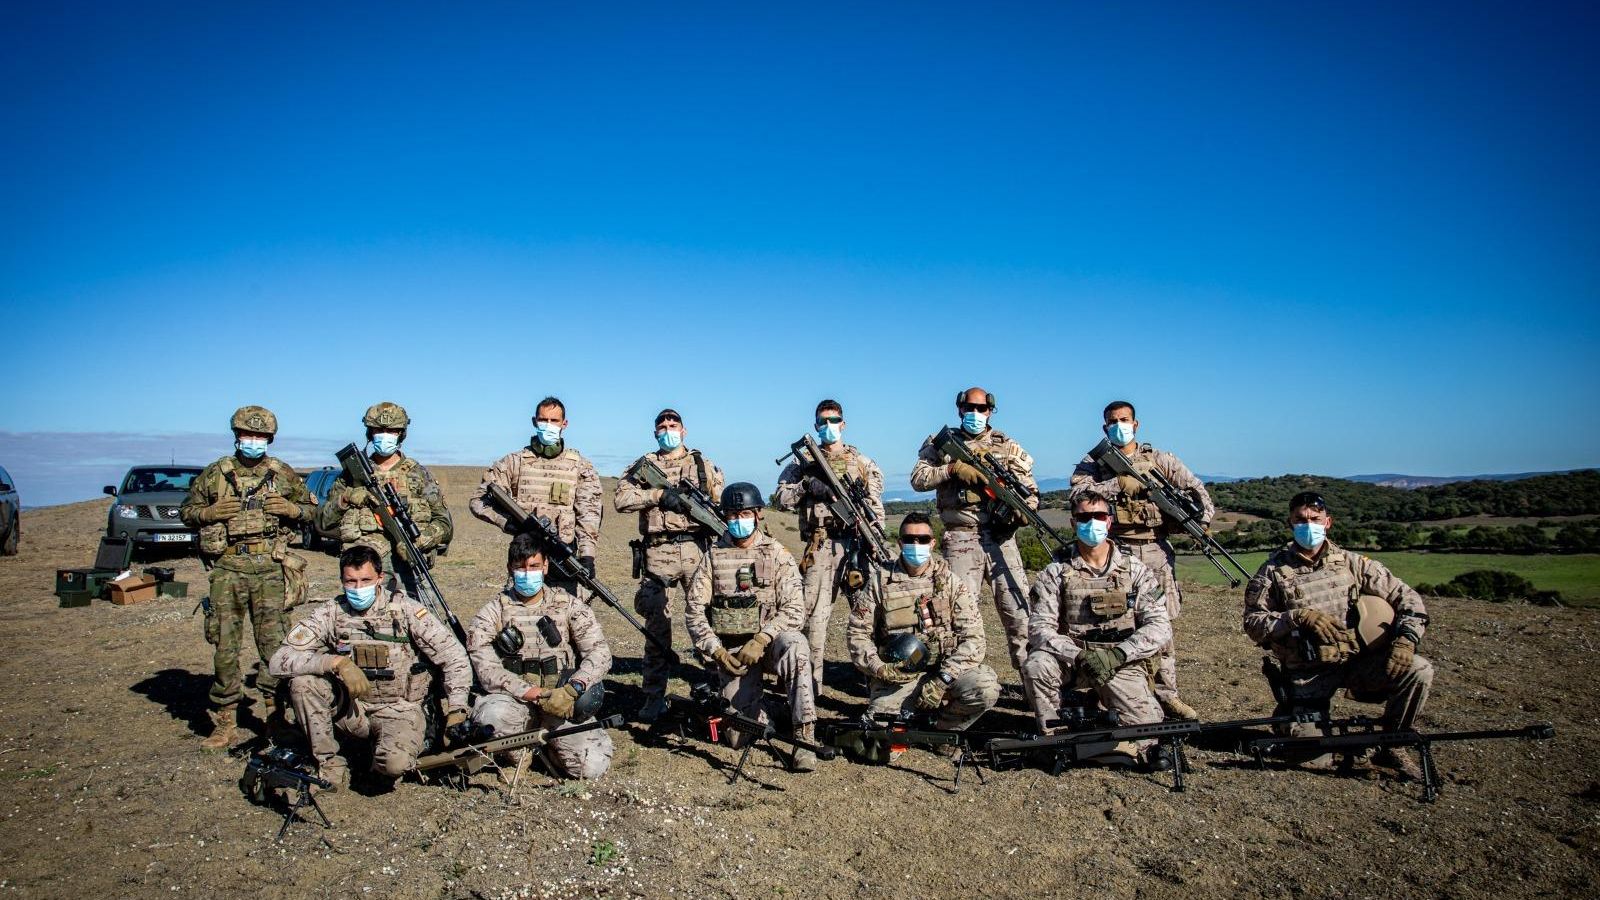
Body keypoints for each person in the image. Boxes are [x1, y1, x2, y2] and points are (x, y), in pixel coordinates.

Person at [1243, 491, 1433, 779]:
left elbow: (1407, 598)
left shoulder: (1353, 564)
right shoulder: (1273, 571)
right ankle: (1291, 719)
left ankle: (1395, 742)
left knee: (1419, 670)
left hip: (1357, 662)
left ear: (1328, 521)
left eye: (1315, 519)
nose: (1308, 525)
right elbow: (1253, 623)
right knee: (1310, 759)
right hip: (1307, 673)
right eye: (1301, 520)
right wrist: (1297, 617)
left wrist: (1406, 640)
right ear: (1290, 523)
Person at [269, 545, 472, 789]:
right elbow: (279, 660)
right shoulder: (331, 612)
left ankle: (378, 754)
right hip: (352, 709)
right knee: (303, 684)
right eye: (350, 581)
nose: (358, 588)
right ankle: (329, 764)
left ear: (380, 578)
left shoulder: (406, 610)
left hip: (399, 709)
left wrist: (457, 708)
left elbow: (454, 656)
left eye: (365, 580)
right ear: (342, 580)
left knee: (393, 766)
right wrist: (334, 662)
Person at [180, 405, 314, 751]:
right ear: (237, 436)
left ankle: (276, 718)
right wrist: (207, 513)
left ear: (269, 439)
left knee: (276, 646)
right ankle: (225, 721)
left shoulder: (282, 473)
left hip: (270, 568)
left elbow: (313, 511)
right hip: (228, 570)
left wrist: (291, 510)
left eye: (260, 436)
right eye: (247, 435)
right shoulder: (216, 474)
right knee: (225, 647)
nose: (253, 441)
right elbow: (186, 511)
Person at [1070, 400, 1214, 720]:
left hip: (1155, 550)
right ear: (1104, 427)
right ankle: (1112, 693)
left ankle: (1166, 695)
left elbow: (1195, 488)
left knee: (1160, 626)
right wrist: (1118, 484)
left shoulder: (1160, 460)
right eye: (1112, 421)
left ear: (1136, 424)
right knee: (1112, 623)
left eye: (1124, 420)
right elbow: (1077, 495)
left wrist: (1200, 524)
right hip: (1114, 551)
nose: (1119, 425)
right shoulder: (1094, 463)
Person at [1023, 491, 1172, 770]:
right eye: (1084, 517)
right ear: (1072, 523)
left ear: (1110, 521)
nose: (1092, 523)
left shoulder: (1135, 570)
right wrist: (1077, 655)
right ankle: (1055, 740)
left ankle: (1111, 718)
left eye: (1099, 516)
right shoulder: (1056, 571)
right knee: (1036, 665)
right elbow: (1039, 628)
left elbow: (1159, 625)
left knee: (1148, 733)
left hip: (1120, 661)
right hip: (1074, 659)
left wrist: (1119, 654)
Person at [910, 387, 1035, 698]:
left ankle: (1037, 695)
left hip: (1002, 539)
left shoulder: (1007, 446)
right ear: (959, 409)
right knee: (956, 619)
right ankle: (958, 693)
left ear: (990, 411)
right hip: (961, 538)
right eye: (969, 407)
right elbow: (918, 478)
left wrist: (1022, 511)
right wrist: (951, 469)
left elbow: (1030, 492)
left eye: (981, 409)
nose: (975, 414)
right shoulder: (939, 444)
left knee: (1020, 617)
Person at [684, 482, 818, 771]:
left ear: (758, 514)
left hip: (769, 646)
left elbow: (796, 609)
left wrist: (762, 639)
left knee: (796, 645)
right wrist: (717, 652)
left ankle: (804, 735)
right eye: (731, 515)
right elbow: (694, 612)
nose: (737, 521)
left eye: (743, 514)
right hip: (731, 654)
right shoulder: (712, 557)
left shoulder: (777, 553)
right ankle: (773, 709)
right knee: (736, 738)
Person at [465, 534, 615, 779]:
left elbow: (599, 653)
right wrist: (532, 693)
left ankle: (551, 750)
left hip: (561, 702)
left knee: (591, 766)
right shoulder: (493, 611)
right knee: (490, 719)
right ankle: (516, 754)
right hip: (515, 701)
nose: (527, 573)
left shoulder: (568, 604)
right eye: (520, 567)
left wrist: (573, 688)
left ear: (545, 566)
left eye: (534, 566)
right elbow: (486, 668)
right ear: (510, 569)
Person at [846, 512, 999, 742]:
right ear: (900, 543)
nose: (916, 544)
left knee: (985, 686)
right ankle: (906, 722)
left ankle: (941, 732)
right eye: (909, 539)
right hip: (898, 678)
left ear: (932, 543)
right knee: (877, 743)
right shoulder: (880, 581)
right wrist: (878, 668)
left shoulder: (949, 581)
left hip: (944, 672)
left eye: (923, 539)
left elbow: (974, 639)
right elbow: (857, 632)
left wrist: (943, 679)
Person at [613, 408, 725, 722]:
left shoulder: (701, 464)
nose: (667, 430)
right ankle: (653, 698)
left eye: (673, 425)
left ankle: (719, 688)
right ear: (655, 433)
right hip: (657, 551)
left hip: (695, 550)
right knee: (657, 628)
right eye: (661, 426)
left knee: (703, 620)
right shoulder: (643, 466)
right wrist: (659, 495)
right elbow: (621, 500)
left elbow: (719, 504)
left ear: (684, 430)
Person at [772, 398, 885, 696]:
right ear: (815, 426)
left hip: (858, 545)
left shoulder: (861, 462)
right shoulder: (801, 463)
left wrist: (876, 539)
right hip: (820, 546)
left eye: (834, 420)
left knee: (870, 618)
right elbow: (781, 498)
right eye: (823, 421)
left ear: (843, 424)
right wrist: (807, 485)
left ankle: (877, 685)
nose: (829, 426)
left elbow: (875, 506)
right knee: (813, 621)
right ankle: (808, 689)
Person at [318, 401, 453, 594]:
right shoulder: (351, 475)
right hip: (363, 575)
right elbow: (322, 521)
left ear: (401, 434)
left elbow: (445, 524)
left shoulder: (419, 475)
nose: (385, 435)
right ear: (370, 434)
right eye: (379, 430)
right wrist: (345, 499)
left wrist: (421, 540)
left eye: (392, 431)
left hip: (408, 570)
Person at [469, 396, 602, 583]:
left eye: (554, 421)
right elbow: (478, 501)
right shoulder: (513, 462)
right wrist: (507, 523)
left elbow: (589, 515)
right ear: (534, 421)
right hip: (524, 557)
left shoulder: (581, 466)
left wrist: (587, 556)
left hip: (563, 556)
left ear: (564, 424)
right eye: (543, 420)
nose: (548, 425)